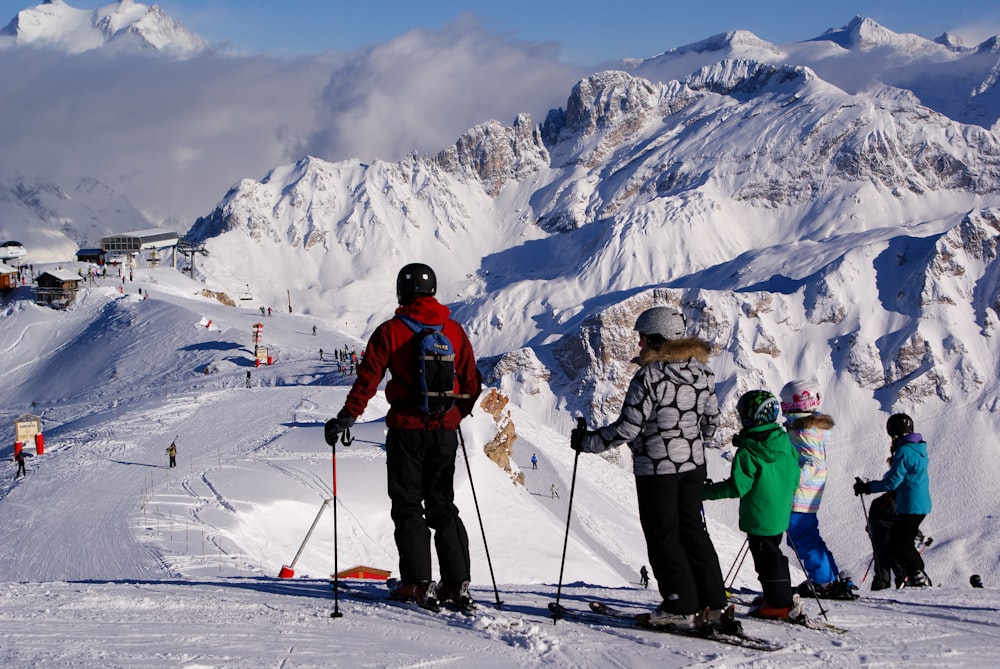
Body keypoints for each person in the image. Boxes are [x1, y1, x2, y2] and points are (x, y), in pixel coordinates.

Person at [324, 263, 481, 610]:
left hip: (405, 432)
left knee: (408, 506)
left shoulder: (390, 332)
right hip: (444, 432)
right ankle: (456, 584)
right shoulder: (453, 331)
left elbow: (367, 380)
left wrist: (346, 418)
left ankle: (416, 585)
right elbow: (472, 384)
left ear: (401, 292)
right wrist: (453, 416)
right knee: (443, 505)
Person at [573, 306, 732, 632]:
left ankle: (680, 606)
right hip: (693, 467)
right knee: (692, 531)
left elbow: (627, 429)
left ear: (657, 338)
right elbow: (712, 422)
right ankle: (714, 605)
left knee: (664, 536)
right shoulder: (701, 372)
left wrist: (586, 442)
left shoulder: (649, 377)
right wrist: (691, 446)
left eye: (643, 337)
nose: (640, 344)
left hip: (657, 470)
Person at [703, 390, 804, 622]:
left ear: (749, 418)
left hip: (759, 516)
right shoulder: (784, 443)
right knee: (774, 555)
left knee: (766, 561)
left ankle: (779, 604)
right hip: (780, 513)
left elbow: (737, 487)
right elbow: (796, 476)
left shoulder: (748, 452)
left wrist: (704, 492)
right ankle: (777, 596)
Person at [779, 380, 856, 600]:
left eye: (785, 403)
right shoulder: (810, 426)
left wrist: (791, 481)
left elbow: (813, 463)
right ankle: (829, 576)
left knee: (801, 536)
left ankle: (822, 580)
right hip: (810, 493)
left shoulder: (803, 429)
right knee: (809, 535)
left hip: (800, 493)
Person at [854, 413, 932, 587]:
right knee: (903, 540)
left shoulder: (904, 451)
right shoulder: (918, 448)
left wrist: (867, 487)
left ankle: (918, 574)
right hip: (918, 503)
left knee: (899, 542)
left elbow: (892, 482)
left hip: (910, 504)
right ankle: (914, 576)